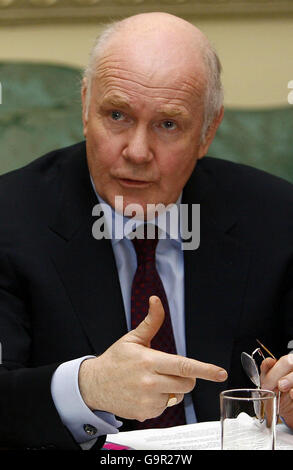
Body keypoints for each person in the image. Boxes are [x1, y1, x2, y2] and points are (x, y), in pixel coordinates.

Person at [0, 12, 293, 450]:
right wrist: (85, 388)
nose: (137, 152)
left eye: (168, 124)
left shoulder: (276, 214)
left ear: (208, 131)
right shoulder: (9, 218)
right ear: (85, 108)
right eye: (116, 115)